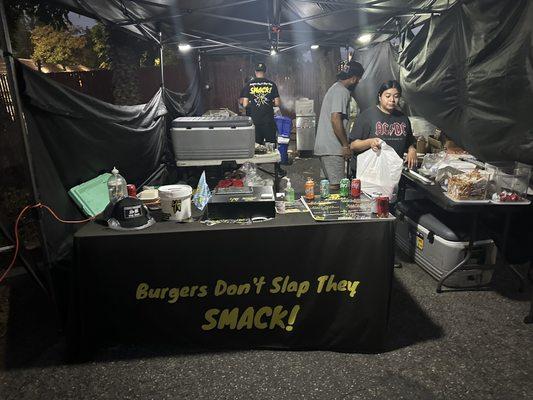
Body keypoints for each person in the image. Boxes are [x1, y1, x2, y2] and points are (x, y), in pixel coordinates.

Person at [314, 60, 364, 190]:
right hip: (333, 148)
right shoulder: (342, 91)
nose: (358, 82)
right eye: (358, 79)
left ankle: (325, 210)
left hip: (326, 146)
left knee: (328, 186)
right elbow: (335, 119)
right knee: (337, 187)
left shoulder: (335, 88)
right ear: (353, 78)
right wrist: (345, 145)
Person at [350, 80, 417, 169]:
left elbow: (409, 143)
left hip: (393, 171)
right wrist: (370, 142)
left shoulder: (403, 118)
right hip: (369, 171)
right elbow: (353, 145)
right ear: (380, 96)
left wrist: (412, 150)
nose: (392, 100)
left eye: (396, 96)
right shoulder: (367, 116)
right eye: (388, 96)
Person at [242, 63, 281, 145]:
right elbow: (277, 103)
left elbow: (245, 104)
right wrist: (270, 103)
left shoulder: (249, 85)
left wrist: (253, 104)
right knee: (271, 147)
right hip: (268, 121)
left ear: (255, 72)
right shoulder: (272, 84)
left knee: (257, 147)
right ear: (265, 72)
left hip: (255, 121)